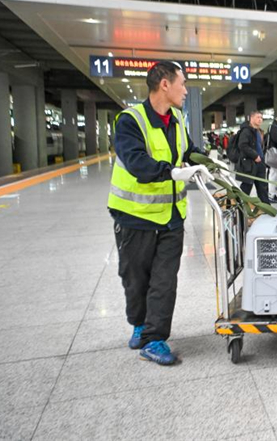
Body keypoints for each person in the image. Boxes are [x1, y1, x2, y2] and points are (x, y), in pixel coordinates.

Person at [108, 61, 212, 366]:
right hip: (134, 216)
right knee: (135, 278)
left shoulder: (178, 119)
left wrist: (207, 165)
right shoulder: (130, 121)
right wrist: (173, 173)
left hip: (171, 216)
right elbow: (136, 162)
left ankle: (154, 339)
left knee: (165, 280)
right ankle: (139, 324)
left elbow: (189, 150)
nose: (185, 89)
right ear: (164, 84)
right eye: (182, 83)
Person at [235, 111, 270, 204]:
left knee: (262, 186)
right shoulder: (246, 131)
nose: (260, 119)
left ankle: (266, 207)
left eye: (261, 118)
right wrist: (254, 155)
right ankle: (238, 206)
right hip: (250, 163)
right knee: (246, 186)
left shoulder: (258, 131)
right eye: (258, 117)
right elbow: (242, 145)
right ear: (251, 118)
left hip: (260, 162)